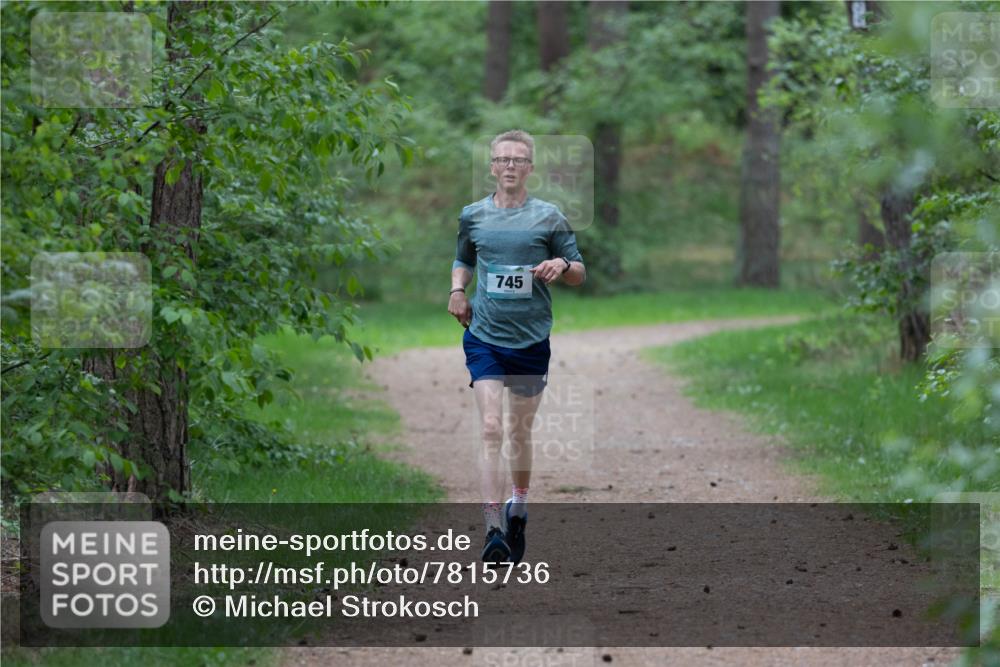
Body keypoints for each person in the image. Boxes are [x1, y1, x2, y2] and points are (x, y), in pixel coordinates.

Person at [447, 130, 586, 564]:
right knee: (490, 427)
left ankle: (518, 507)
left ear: (530, 168)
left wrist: (561, 264)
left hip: (530, 339)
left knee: (518, 431)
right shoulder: (473, 215)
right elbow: (464, 260)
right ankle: (492, 529)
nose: (510, 166)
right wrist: (456, 290)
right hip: (485, 336)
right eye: (502, 159)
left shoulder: (549, 216)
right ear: (491, 166)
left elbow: (580, 271)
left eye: (519, 160)